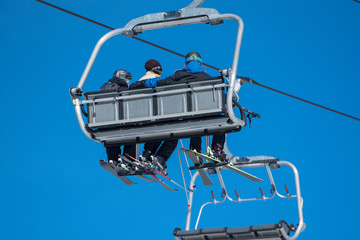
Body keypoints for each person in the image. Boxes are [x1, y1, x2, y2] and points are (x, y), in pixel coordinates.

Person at [142, 52, 227, 160]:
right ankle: (217, 147)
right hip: (207, 114)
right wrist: (231, 99)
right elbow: (221, 96)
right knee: (219, 120)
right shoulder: (208, 78)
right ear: (200, 63)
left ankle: (195, 148)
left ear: (186, 64)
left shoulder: (178, 75)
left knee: (194, 120)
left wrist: (143, 83)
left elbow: (159, 81)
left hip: (188, 115)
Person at [130, 59, 178, 174]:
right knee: (172, 136)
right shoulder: (158, 80)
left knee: (156, 133)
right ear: (158, 70)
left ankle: (147, 156)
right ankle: (159, 158)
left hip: (139, 119)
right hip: (155, 116)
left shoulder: (139, 81)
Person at [100, 69, 136, 168]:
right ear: (122, 77)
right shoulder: (122, 88)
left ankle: (113, 160)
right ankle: (128, 160)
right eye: (128, 79)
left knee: (110, 139)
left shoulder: (103, 87)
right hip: (120, 122)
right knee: (133, 137)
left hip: (104, 122)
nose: (129, 82)